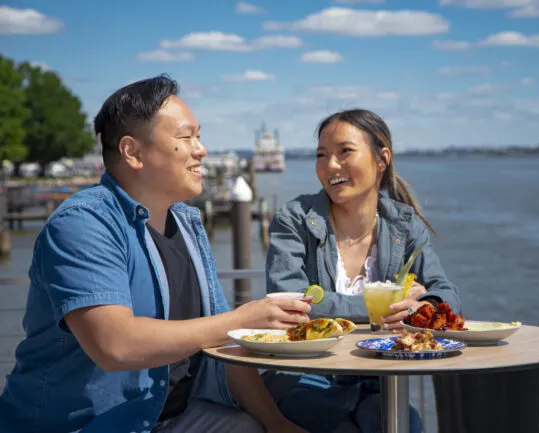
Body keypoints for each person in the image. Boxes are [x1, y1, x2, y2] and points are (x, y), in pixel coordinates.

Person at [0, 75, 310, 433]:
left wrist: (276, 424)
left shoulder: (188, 223)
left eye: (199, 135)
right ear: (132, 152)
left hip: (177, 416)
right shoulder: (83, 225)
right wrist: (243, 320)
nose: (201, 149)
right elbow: (115, 345)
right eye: (186, 137)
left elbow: (227, 348)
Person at [263, 108, 462, 433]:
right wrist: (384, 307)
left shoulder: (406, 225)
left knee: (407, 426)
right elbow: (290, 302)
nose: (331, 166)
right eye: (322, 155)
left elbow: (447, 293)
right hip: (306, 375)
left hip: (379, 378)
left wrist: (423, 308)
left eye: (345, 152)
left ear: (381, 158)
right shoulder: (294, 220)